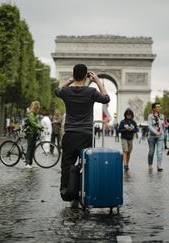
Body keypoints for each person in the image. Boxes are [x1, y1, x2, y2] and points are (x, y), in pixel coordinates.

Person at [55, 63, 110, 203]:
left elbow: (57, 90)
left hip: (70, 134)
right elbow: (106, 98)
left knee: (67, 164)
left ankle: (66, 192)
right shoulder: (91, 92)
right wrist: (97, 81)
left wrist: (70, 80)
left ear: (74, 75)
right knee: (87, 164)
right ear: (86, 76)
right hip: (86, 134)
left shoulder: (67, 92)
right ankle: (85, 191)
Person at [25, 101, 43, 168]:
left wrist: (40, 127)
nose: (38, 109)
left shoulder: (35, 114)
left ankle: (31, 163)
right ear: (36, 108)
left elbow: (37, 122)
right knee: (29, 148)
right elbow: (33, 123)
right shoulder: (31, 114)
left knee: (33, 148)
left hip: (34, 133)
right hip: (30, 133)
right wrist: (40, 126)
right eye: (38, 108)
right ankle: (27, 163)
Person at [147, 103, 165, 172]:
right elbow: (150, 126)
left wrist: (162, 132)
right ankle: (150, 164)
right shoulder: (150, 116)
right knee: (151, 152)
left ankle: (159, 166)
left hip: (160, 136)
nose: (159, 108)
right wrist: (156, 132)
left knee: (159, 152)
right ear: (154, 108)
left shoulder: (162, 116)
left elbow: (162, 125)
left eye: (160, 107)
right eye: (157, 107)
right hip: (152, 136)